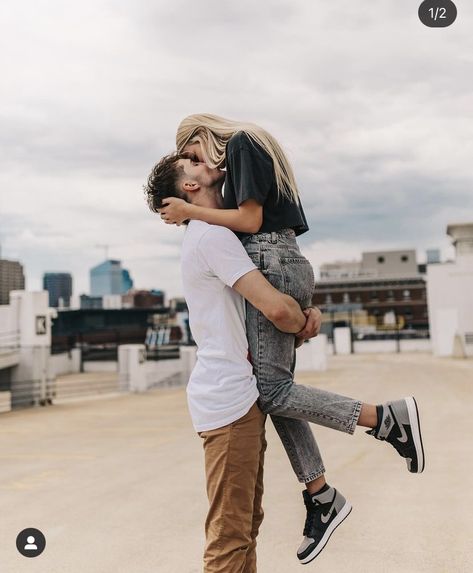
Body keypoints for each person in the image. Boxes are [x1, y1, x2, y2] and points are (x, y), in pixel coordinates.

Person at [158, 114, 425, 565]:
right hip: (278, 264)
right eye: (188, 160)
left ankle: (380, 424)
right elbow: (272, 297)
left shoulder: (239, 147)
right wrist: (298, 311)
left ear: (202, 135)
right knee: (274, 393)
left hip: (272, 259)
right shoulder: (220, 218)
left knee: (273, 392)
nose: (195, 158)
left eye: (190, 149)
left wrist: (188, 213)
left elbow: (251, 218)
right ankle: (323, 491)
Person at [144, 153, 319, 572]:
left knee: (244, 527)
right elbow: (275, 309)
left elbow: (266, 312)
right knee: (230, 534)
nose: (204, 158)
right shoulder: (210, 235)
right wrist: (304, 319)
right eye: (191, 160)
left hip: (236, 396)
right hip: (229, 400)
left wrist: (301, 315)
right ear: (188, 186)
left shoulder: (214, 232)